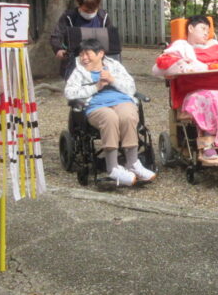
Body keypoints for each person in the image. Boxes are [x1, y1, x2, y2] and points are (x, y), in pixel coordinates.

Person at [152, 15, 218, 159]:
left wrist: (211, 66)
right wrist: (182, 66)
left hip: (217, 90)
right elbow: (160, 68)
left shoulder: (217, 48)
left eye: (208, 30)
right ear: (190, 28)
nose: (206, 33)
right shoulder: (180, 48)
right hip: (191, 94)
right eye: (202, 28)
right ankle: (208, 143)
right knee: (209, 98)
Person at [65, 38, 156, 187]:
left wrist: (112, 80)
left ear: (100, 53)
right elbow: (69, 93)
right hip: (96, 106)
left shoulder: (115, 66)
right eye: (81, 55)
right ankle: (112, 167)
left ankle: (132, 163)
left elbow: (131, 87)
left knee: (128, 115)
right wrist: (96, 87)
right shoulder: (78, 71)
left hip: (121, 101)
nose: (84, 58)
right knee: (110, 118)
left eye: (88, 54)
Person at [50, 0, 112, 78]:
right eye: (87, 10)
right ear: (79, 5)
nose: (90, 12)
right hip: (74, 60)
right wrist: (58, 49)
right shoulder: (69, 17)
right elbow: (56, 35)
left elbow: (111, 37)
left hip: (97, 60)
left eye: (93, 10)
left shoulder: (103, 17)